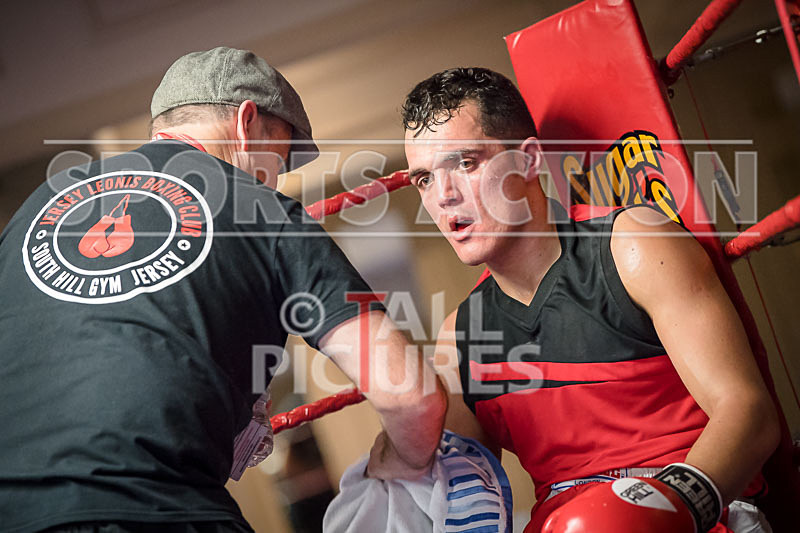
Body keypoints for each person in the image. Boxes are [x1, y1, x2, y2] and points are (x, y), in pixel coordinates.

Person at [0, 47, 445, 533]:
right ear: (246, 123)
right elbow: (410, 395)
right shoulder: (264, 210)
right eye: (279, 157)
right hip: (158, 510)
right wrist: (398, 462)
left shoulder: (38, 204)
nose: (278, 179)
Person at [401, 67, 779, 532]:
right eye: (423, 179)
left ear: (529, 161)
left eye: (465, 163)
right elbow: (465, 501)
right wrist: (400, 465)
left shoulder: (633, 245)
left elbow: (749, 412)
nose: (443, 197)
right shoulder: (460, 336)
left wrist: (665, 508)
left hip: (699, 511)